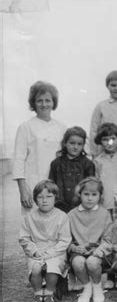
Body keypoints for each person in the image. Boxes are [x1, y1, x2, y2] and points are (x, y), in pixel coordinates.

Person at [12, 81, 67, 213]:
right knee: (34, 226)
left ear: (53, 102)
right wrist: (23, 191)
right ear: (33, 103)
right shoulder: (25, 127)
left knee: (56, 226)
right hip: (34, 185)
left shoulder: (61, 127)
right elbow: (19, 160)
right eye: (39, 100)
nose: (44, 104)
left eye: (48, 100)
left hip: (57, 187)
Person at [19, 180, 72, 302]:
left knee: (53, 266)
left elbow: (65, 239)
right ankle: (37, 294)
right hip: (36, 250)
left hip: (56, 251)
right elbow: (24, 238)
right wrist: (35, 251)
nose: (44, 200)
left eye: (49, 197)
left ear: (55, 198)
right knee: (35, 268)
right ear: (35, 200)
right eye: (40, 197)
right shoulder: (29, 217)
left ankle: (49, 293)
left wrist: (50, 253)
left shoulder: (62, 216)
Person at [68, 177, 112, 302]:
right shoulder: (71, 215)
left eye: (94, 195)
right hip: (79, 251)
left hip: (98, 252)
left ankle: (97, 287)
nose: (90, 198)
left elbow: (108, 238)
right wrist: (73, 248)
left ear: (100, 196)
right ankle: (87, 287)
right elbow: (65, 238)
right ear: (79, 194)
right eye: (86, 194)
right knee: (78, 261)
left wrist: (100, 249)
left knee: (92, 262)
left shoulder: (104, 214)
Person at [49, 126, 95, 212]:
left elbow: (92, 187)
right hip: (59, 207)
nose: (76, 147)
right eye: (72, 143)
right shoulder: (56, 163)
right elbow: (51, 187)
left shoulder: (88, 164)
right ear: (65, 143)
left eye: (79, 144)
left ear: (83, 145)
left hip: (81, 208)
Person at [93, 122, 117, 221]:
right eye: (105, 139)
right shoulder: (98, 161)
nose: (109, 142)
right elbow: (97, 181)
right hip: (105, 202)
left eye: (113, 139)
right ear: (100, 141)